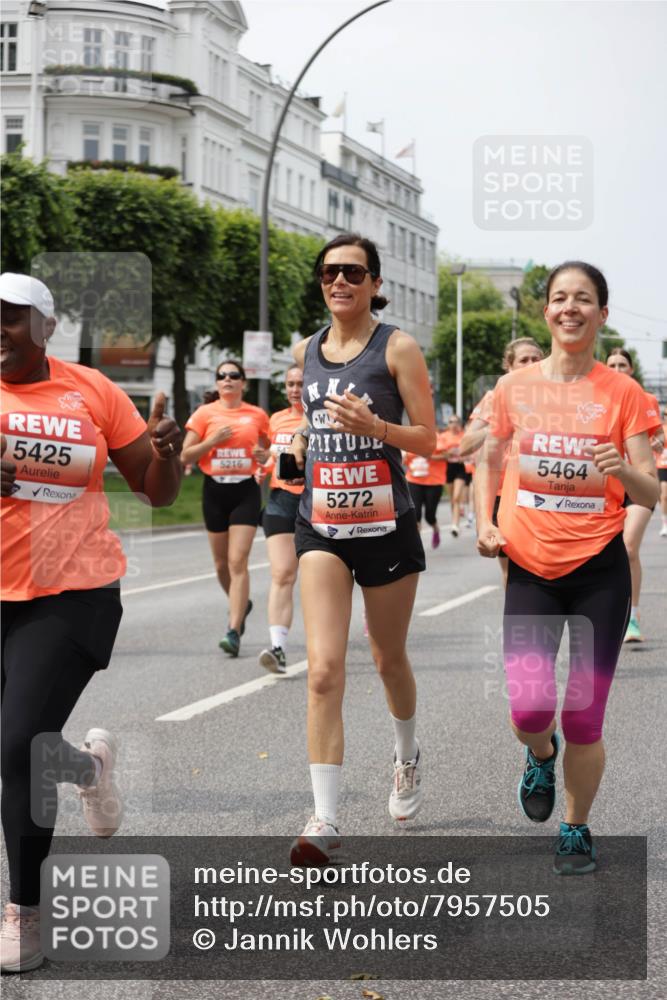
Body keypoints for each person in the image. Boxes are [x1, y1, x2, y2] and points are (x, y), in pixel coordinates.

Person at [0, 272, 182, 972]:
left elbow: (156, 489)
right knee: (26, 746)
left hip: (71, 593)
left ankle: (24, 911)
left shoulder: (92, 391)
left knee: (16, 747)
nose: (0, 329)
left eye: (11, 318)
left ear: (47, 327)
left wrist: (165, 455)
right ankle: (89, 768)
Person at [475, 261, 658, 876]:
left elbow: (650, 492)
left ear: (602, 314)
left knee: (584, 715)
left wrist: (620, 468)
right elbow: (489, 460)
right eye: (559, 298)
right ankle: (538, 754)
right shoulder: (515, 388)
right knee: (529, 709)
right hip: (529, 568)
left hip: (597, 572)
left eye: (583, 299)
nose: (570, 308)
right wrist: (484, 521)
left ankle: (575, 828)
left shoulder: (624, 394)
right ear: (546, 311)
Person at [287, 234, 436, 865]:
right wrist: (298, 440)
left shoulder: (396, 346)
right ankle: (324, 817)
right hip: (320, 524)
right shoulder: (305, 349)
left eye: (352, 272)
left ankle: (405, 755)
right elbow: (308, 419)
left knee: (387, 658)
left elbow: (430, 439)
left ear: (375, 283)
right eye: (329, 272)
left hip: (385, 527)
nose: (339, 281)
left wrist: (376, 428)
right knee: (322, 669)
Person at [182, 361, 270, 657]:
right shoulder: (204, 414)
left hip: (245, 491)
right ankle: (241, 604)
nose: (228, 380)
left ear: (243, 383)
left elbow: (275, 449)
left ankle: (233, 630)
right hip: (214, 491)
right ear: (217, 383)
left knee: (237, 562)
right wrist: (213, 441)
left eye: (234, 375)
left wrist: (265, 455)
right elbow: (185, 455)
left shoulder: (256, 415)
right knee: (221, 565)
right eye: (222, 376)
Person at [461, 337, 544, 585]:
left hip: (539, 491)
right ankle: (522, 621)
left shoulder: (555, 396)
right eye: (523, 360)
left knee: (543, 567)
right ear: (509, 366)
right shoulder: (494, 398)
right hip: (502, 492)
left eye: (536, 359)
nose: (530, 364)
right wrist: (500, 427)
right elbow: (465, 444)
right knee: (514, 571)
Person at [605, 348, 663, 641]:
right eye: (611, 364)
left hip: (637, 483)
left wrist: (656, 441)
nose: (616, 368)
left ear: (631, 370)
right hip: (604, 485)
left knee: (628, 548)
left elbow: (659, 437)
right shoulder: (594, 398)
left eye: (622, 364)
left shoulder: (644, 398)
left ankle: (633, 617)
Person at [258, 366, 305, 674]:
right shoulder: (275, 419)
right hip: (280, 501)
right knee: (282, 574)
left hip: (316, 501)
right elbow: (271, 458)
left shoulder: (323, 416)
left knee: (323, 578)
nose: (294, 389)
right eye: (289, 384)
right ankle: (278, 647)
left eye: (300, 383)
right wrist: (263, 463)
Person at [404, 424, 448, 548]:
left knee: (429, 515)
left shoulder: (437, 438)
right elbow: (406, 459)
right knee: (415, 514)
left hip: (434, 482)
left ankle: (436, 529)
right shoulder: (409, 439)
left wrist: (430, 456)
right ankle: (417, 546)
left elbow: (447, 455)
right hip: (414, 480)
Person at [440, 414, 466, 536]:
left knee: (456, 497)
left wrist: (464, 455)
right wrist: (447, 453)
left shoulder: (464, 436)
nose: (454, 424)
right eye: (451, 422)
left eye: (456, 422)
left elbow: (471, 451)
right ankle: (454, 520)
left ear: (460, 424)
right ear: (448, 424)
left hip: (460, 468)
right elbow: (439, 452)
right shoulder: (443, 436)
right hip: (447, 468)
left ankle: (455, 525)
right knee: (452, 498)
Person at [659, 405, 667, 537]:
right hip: (662, 465)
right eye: (666, 414)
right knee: (664, 496)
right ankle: (665, 524)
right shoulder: (660, 429)